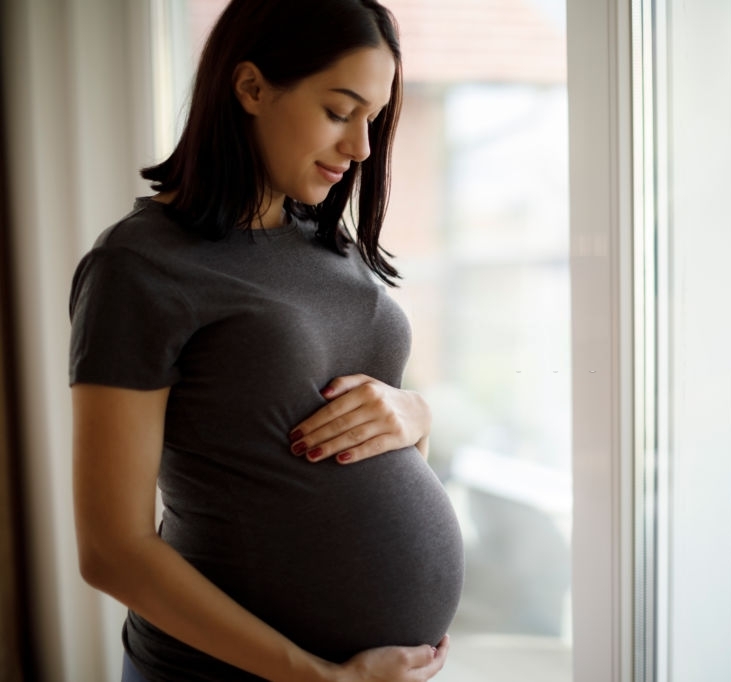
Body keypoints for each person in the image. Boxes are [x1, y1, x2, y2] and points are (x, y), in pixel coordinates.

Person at [68, 1, 464, 680]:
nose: (362, 148)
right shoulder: (139, 267)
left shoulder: (330, 247)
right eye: (340, 112)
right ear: (250, 87)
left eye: (373, 118)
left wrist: (414, 413)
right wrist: (317, 676)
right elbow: (112, 549)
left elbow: (360, 433)